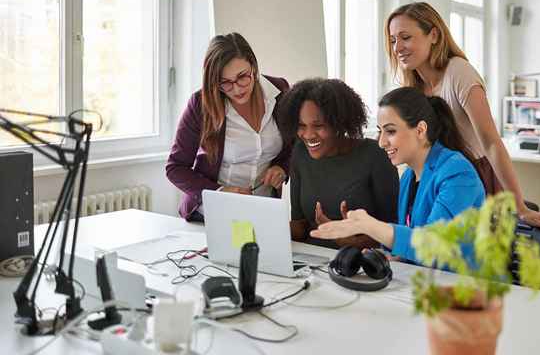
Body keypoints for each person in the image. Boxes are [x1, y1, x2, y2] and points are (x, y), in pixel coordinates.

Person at [383, 2, 540, 239]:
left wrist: (519, 206)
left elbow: (491, 143)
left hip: (471, 179)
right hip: (435, 181)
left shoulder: (459, 73)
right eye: (393, 40)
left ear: (433, 35)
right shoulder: (414, 87)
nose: (397, 47)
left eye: (405, 37)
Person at [311, 88, 485, 262]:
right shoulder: (409, 176)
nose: (381, 142)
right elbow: (412, 244)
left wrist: (370, 226)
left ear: (420, 130)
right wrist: (387, 257)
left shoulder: (457, 172)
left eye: (391, 131)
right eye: (380, 131)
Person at [166, 32, 291, 221]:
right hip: (214, 214)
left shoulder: (279, 91)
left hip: (264, 210)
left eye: (242, 77)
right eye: (225, 83)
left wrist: (282, 167)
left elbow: (295, 143)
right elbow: (175, 168)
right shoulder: (200, 104)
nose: (237, 89)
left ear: (253, 66)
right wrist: (221, 192)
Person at [277, 78, 399, 249]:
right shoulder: (300, 153)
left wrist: (347, 239)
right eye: (301, 125)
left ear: (339, 123)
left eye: (318, 125)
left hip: (360, 263)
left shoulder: (375, 156)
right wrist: (262, 228)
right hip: (312, 262)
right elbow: (300, 228)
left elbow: (393, 232)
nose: (308, 134)